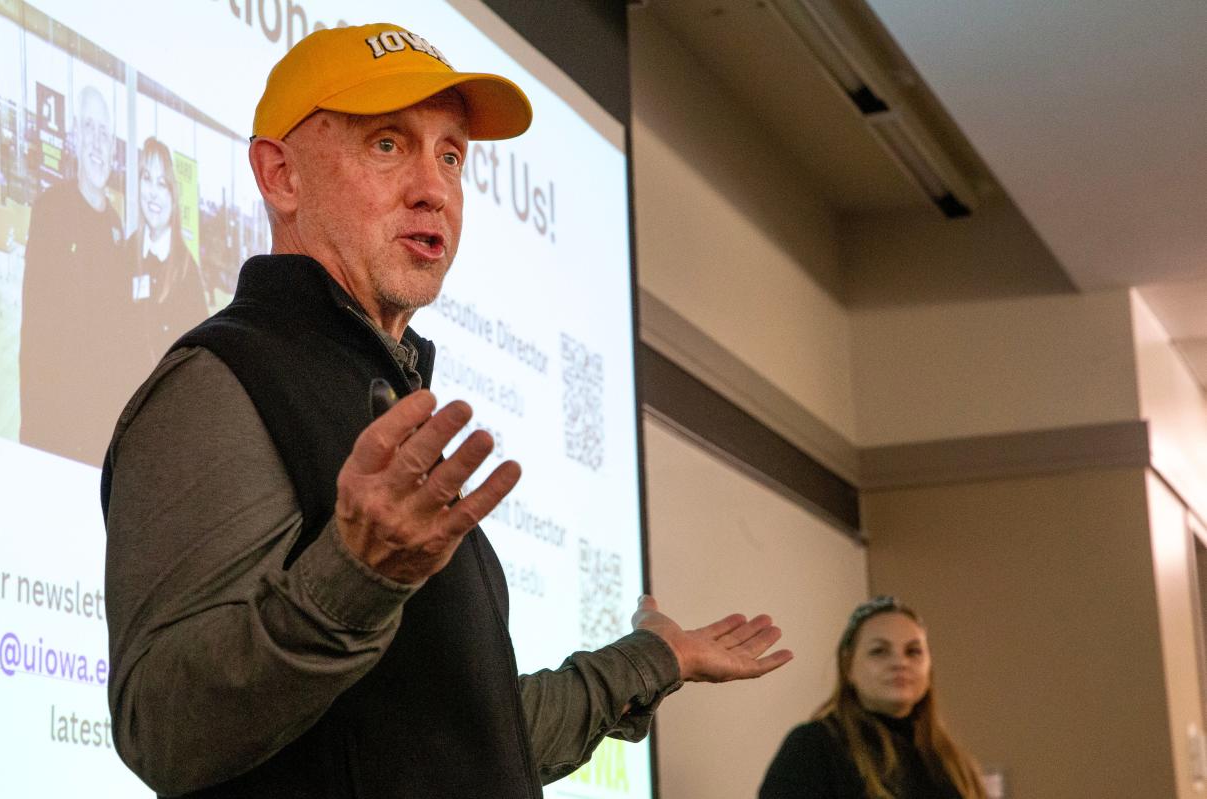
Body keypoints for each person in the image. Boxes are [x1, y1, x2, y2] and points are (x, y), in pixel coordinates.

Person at [102, 22, 792, 799]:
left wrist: (653, 658)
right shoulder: (220, 381)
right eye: (388, 145)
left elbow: (473, 738)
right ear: (280, 174)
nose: (435, 188)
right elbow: (162, 727)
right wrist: (355, 577)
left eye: (452, 155)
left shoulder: (395, 400)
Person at [758, 596, 986, 799]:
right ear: (848, 667)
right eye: (879, 651)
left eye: (913, 651)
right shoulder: (814, 747)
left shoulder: (954, 763)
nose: (900, 663)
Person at [20, 84, 129, 465]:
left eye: (105, 132)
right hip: (53, 424)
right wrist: (32, 428)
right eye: (89, 129)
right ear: (75, 138)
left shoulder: (117, 228)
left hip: (99, 431)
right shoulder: (50, 209)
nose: (98, 143)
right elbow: (34, 328)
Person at [126, 136, 209, 363]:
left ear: (173, 196)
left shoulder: (186, 272)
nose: (152, 192)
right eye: (146, 178)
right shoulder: (124, 254)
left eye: (161, 183)